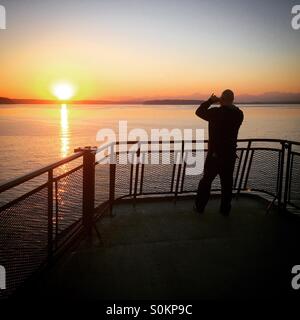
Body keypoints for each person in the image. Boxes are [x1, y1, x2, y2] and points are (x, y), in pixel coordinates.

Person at [194, 89, 244, 216]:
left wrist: (211, 100)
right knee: (227, 184)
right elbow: (233, 110)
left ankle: (200, 207)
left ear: (222, 99)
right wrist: (224, 102)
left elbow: (199, 112)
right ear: (232, 99)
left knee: (206, 182)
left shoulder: (216, 112)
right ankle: (225, 210)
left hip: (215, 155)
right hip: (230, 155)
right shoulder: (239, 114)